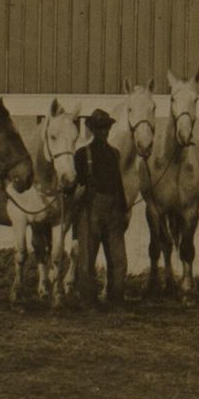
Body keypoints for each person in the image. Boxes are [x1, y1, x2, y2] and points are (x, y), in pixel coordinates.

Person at [72, 106, 130, 304]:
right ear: (92, 130)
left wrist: (123, 211)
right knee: (87, 260)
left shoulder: (115, 154)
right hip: (90, 211)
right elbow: (75, 188)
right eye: (99, 128)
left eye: (106, 128)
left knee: (119, 259)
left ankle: (116, 299)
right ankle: (88, 301)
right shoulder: (82, 154)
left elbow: (119, 184)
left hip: (114, 211)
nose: (103, 132)